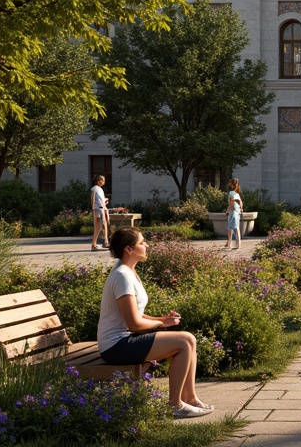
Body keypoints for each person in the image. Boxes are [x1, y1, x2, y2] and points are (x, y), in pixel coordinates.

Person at [98, 227, 212, 419]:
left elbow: (136, 314)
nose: (146, 245)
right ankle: (175, 405)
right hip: (116, 346)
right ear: (129, 249)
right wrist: (160, 325)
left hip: (125, 340)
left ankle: (190, 398)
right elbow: (134, 324)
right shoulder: (122, 276)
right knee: (184, 342)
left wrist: (162, 320)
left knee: (189, 340)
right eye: (142, 242)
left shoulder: (128, 272)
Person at [90, 175, 111, 251]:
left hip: (101, 209)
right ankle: (99, 243)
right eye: (103, 180)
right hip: (98, 210)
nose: (104, 182)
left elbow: (99, 200)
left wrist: (104, 200)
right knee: (100, 227)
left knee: (101, 227)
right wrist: (95, 211)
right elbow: (93, 200)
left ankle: (101, 243)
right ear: (99, 181)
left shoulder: (99, 189)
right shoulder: (95, 189)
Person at [223, 178, 244, 250]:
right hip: (237, 212)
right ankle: (238, 244)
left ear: (231, 185)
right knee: (237, 227)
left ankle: (229, 243)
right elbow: (241, 203)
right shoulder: (237, 194)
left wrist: (227, 211)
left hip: (233, 212)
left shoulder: (231, 193)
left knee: (230, 228)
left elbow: (231, 202)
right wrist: (241, 210)